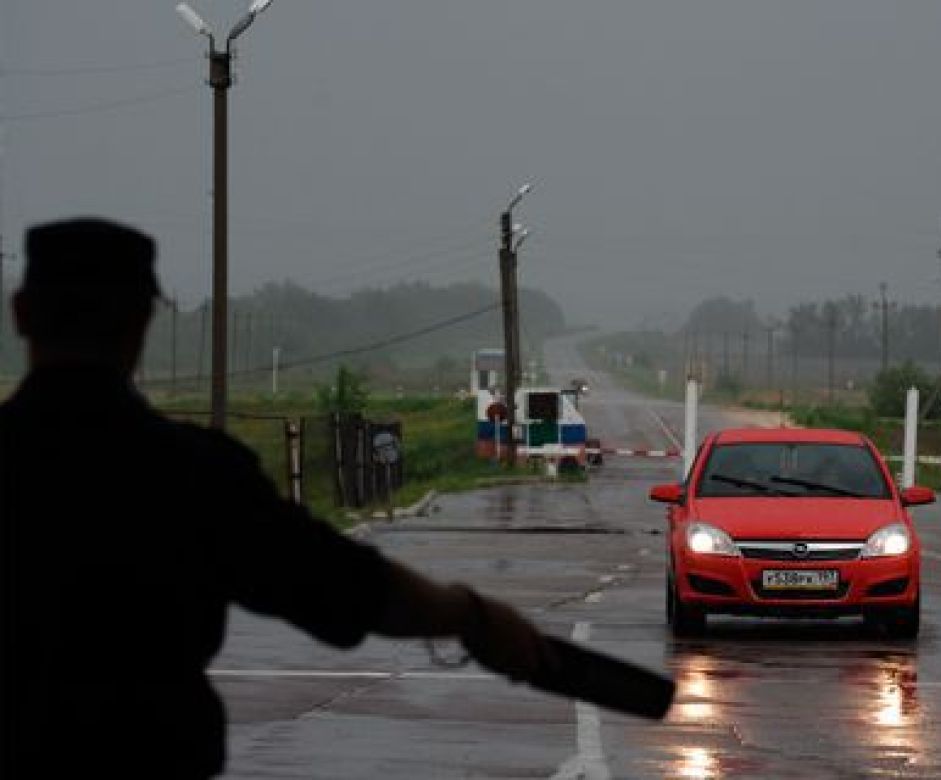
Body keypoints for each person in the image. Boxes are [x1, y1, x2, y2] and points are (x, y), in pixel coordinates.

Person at [0, 218, 551, 778]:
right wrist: (468, 615)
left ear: (21, 313)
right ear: (143, 319)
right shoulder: (193, 474)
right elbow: (340, 584)